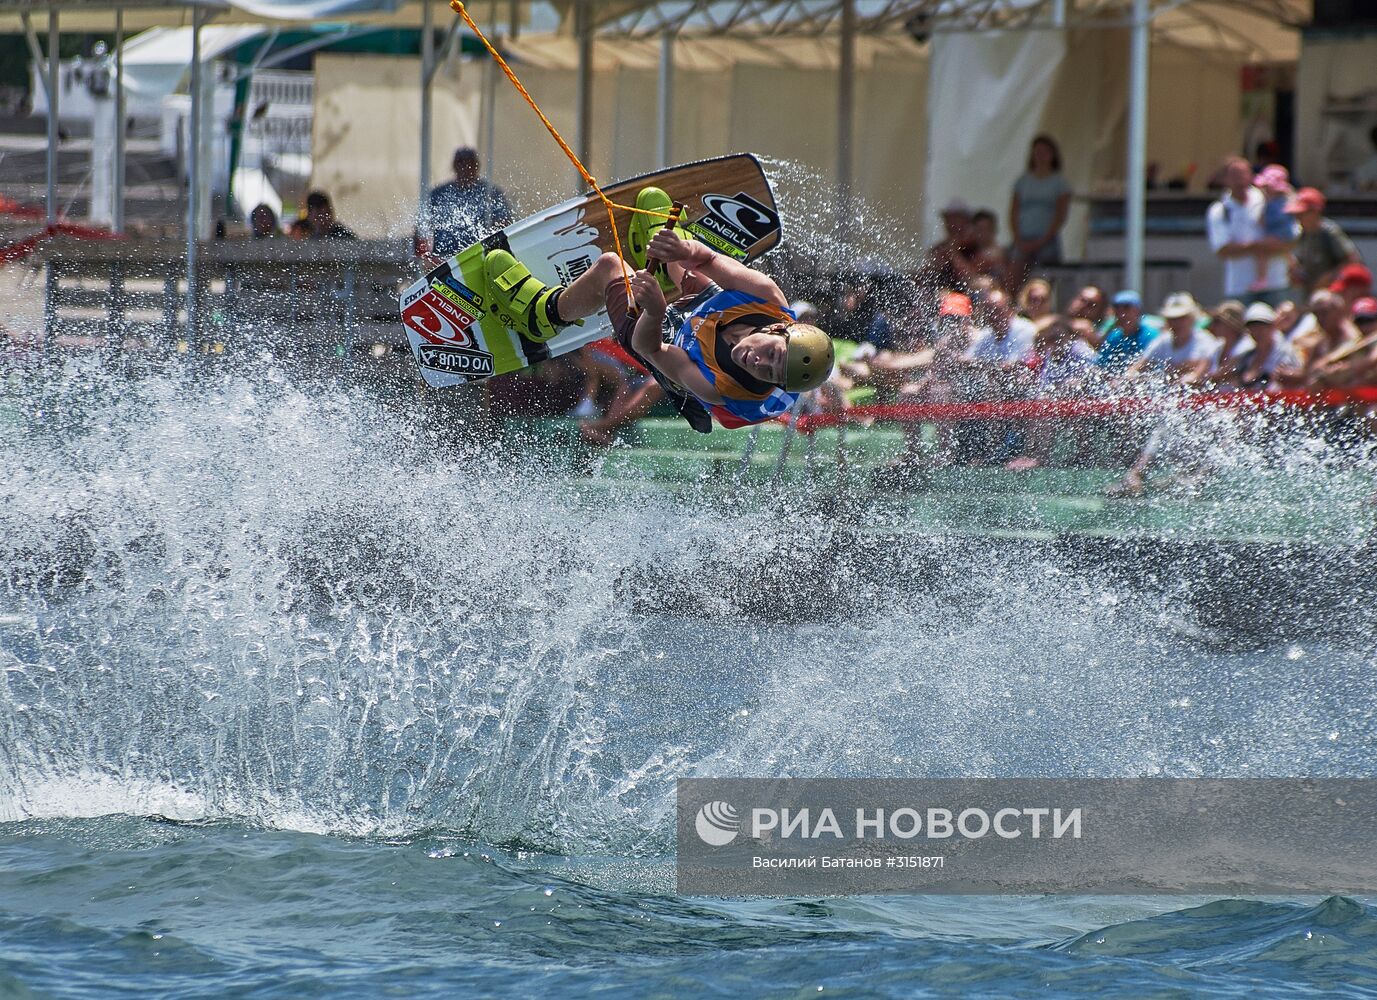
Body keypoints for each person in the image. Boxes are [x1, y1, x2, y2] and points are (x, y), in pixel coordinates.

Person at [479, 186, 833, 434]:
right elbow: (707, 258)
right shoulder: (767, 296)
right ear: (775, 330)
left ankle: (544, 315)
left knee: (609, 266)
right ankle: (656, 262)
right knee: (659, 217)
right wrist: (681, 249)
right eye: (771, 355)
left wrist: (654, 311)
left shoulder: (719, 387)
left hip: (660, 342)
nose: (759, 364)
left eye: (769, 374)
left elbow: (653, 349)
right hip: (699, 306)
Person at [1205, 156, 1290, 304]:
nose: (1240, 179)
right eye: (1234, 175)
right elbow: (1222, 249)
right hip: (1239, 287)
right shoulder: (1220, 210)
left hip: (1276, 283)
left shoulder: (1268, 198)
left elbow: (1290, 235)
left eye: (1244, 174)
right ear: (1225, 179)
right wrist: (1258, 246)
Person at [424, 147, 514, 258]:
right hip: (444, 259)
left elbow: (504, 223)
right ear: (454, 166)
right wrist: (426, 258)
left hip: (480, 255)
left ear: (477, 166)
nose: (465, 167)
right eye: (461, 163)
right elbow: (422, 227)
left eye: (469, 163)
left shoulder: (491, 193)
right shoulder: (438, 194)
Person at [1009, 134, 1072, 287]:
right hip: (1023, 238)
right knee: (1015, 277)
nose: (1041, 156)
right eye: (1037, 152)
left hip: (1047, 240)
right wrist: (1018, 239)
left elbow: (1060, 216)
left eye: (1045, 152)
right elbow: (1013, 212)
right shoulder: (1022, 182)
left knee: (1045, 280)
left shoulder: (1060, 183)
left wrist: (1042, 240)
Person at [1121, 292, 1217, 386]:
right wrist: (1129, 377)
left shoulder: (1205, 341)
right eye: (1172, 319)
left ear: (1192, 318)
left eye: (1181, 318)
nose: (1176, 323)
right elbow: (1139, 366)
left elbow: (1198, 373)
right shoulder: (1163, 341)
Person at [1286, 187, 1361, 295]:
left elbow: (1353, 261)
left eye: (1302, 214)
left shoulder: (1329, 232)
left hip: (1333, 292)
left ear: (1315, 212)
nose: (1298, 218)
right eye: (1296, 214)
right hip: (1309, 292)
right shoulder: (1300, 233)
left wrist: (1329, 277)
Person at [1251, 166, 1297, 292]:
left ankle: (1262, 278)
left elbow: (1268, 221)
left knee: (1260, 249)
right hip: (1284, 234)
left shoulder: (1276, 204)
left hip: (1281, 234)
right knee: (1284, 253)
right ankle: (1292, 264)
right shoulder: (1284, 201)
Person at [1095, 290, 1162, 373]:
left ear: (1138, 311)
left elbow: (1153, 365)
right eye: (1117, 308)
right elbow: (1101, 366)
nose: (1121, 314)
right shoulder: (1114, 337)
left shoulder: (1151, 335)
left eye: (1127, 308)